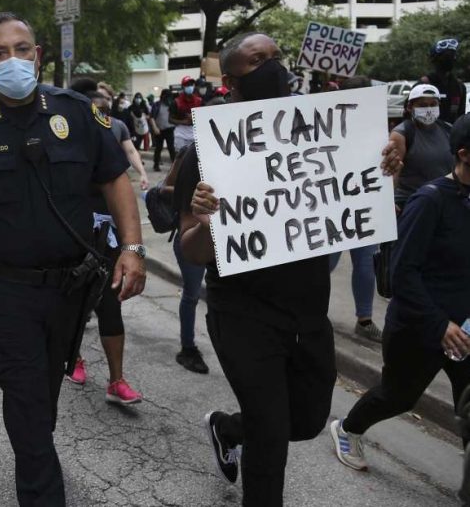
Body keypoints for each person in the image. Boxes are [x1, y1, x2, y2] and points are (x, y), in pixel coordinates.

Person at [0, 12, 146, 506]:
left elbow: (115, 179)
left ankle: (36, 447)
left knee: (44, 395)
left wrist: (132, 248)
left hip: (70, 287)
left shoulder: (77, 112)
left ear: (38, 55)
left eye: (22, 49)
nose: (13, 60)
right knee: (27, 398)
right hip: (5, 292)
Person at [175, 31, 402, 506]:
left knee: (306, 420)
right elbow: (190, 250)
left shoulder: (326, 132)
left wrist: (387, 154)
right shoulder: (210, 148)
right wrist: (206, 221)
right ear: (233, 78)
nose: (275, 66)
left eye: (276, 57)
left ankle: (226, 427)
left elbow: (366, 177)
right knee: (271, 433)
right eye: (260, 61)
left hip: (307, 313)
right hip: (242, 313)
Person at [331, 114, 470, 476]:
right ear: (464, 154)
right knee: (398, 396)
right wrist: (440, 324)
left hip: (467, 329)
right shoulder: (430, 201)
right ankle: (348, 429)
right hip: (420, 326)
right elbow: (401, 273)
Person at [66, 77, 144, 403]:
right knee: (74, 304)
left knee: (110, 303)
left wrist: (133, 248)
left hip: (107, 235)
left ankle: (117, 380)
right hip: (71, 235)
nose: (102, 116)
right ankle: (74, 360)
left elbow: (121, 190)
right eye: (94, 109)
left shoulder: (109, 141)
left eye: (105, 110)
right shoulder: (60, 142)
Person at [329, 76, 383, 342]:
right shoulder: (328, 123)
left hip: (362, 202)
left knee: (365, 262)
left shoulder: (375, 126)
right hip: (334, 204)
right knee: (327, 263)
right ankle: (314, 312)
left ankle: (365, 319)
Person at [160, 146, 209, 374]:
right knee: (192, 293)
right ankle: (187, 347)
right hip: (191, 233)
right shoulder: (190, 152)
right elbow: (165, 188)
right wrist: (194, 196)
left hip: (224, 238)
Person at [390, 84, 454, 211]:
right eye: (423, 105)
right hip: (412, 204)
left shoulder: (448, 129)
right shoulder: (402, 134)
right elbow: (392, 172)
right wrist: (388, 201)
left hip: (444, 203)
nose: (429, 109)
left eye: (433, 104)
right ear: (410, 107)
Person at [420, 38, 466, 124]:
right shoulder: (424, 85)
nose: (452, 59)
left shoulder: (459, 86)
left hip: (452, 135)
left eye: (453, 55)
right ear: (435, 59)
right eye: (447, 56)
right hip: (428, 135)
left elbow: (461, 117)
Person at [170, 75, 202, 153]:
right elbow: (170, 119)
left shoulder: (199, 101)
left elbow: (203, 117)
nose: (190, 87)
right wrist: (183, 122)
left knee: (195, 157)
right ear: (183, 87)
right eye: (187, 85)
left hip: (195, 131)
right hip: (181, 132)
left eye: (191, 84)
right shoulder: (176, 102)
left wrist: (194, 117)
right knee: (180, 156)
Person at [151, 88, 176, 171]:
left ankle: (175, 166)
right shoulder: (157, 105)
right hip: (159, 130)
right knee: (158, 148)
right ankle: (156, 165)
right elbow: (151, 117)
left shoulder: (172, 104)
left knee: (171, 148)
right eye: (167, 97)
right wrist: (155, 128)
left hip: (170, 129)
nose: (169, 99)